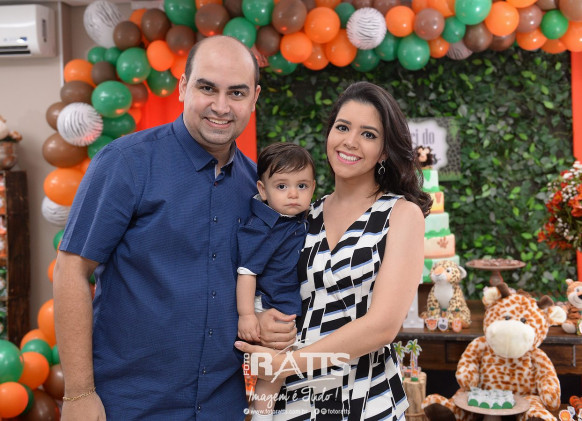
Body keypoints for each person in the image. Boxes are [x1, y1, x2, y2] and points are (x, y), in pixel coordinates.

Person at [53, 35, 296, 421]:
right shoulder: (126, 163)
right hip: (129, 406)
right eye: (207, 88)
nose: (221, 106)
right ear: (183, 87)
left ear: (254, 98)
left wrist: (265, 320)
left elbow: (254, 280)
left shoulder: (258, 189)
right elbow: (71, 271)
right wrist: (79, 393)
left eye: (236, 92)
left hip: (223, 407)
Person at [235, 81, 432, 420]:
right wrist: (264, 318)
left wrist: (287, 364)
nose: (350, 141)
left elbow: (383, 326)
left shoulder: (400, 215)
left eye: (368, 134)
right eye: (342, 127)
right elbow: (268, 282)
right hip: (295, 404)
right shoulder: (302, 216)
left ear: (384, 151)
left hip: (365, 400)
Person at [236, 143, 316, 420]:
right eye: (282, 186)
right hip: (268, 304)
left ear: (313, 188)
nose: (293, 194)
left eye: (302, 186)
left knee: (277, 369)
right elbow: (247, 272)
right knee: (273, 370)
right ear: (263, 190)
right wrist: (247, 315)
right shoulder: (262, 228)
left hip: (285, 302)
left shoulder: (298, 218)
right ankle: (262, 415)